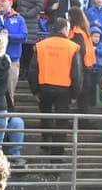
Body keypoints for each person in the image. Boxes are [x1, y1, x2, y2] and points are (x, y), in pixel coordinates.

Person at [29, 17, 81, 155]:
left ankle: (46, 144)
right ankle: (57, 151)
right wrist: (75, 94)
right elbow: (77, 73)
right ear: (65, 29)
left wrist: (34, 90)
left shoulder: (41, 45)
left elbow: (33, 70)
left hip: (44, 86)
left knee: (46, 116)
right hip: (65, 89)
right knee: (62, 121)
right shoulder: (73, 47)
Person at [16, 0, 47, 76]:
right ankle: (21, 72)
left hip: (31, 23)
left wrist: (27, 14)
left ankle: (27, 73)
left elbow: (39, 6)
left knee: (28, 48)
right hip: (21, 21)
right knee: (22, 47)